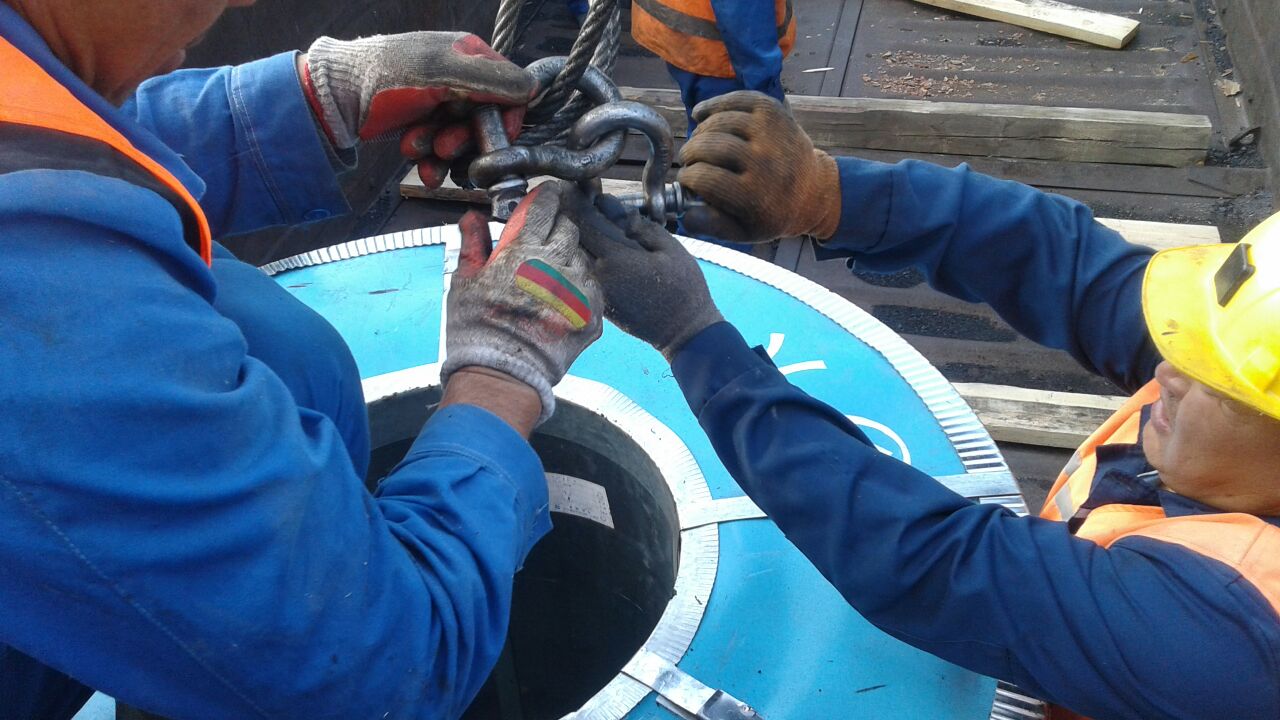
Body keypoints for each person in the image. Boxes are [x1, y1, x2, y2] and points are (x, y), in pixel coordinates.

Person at [575, 90, 1280, 719]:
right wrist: (827, 195)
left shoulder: (1238, 642)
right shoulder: (1249, 357)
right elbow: (1062, 263)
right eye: (1187, 341)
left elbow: (936, 564)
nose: (1166, 368)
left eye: (1213, 379)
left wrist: (695, 340)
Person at [0, 1, 604, 718]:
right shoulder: (40, 307)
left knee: (282, 349)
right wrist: (501, 375)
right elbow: (381, 679)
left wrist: (307, 102)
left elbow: (57, 136)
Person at [630, 0, 796, 134]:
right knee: (724, 152)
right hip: (724, 56)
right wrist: (767, 95)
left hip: (685, 33)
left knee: (703, 135)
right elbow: (742, 14)